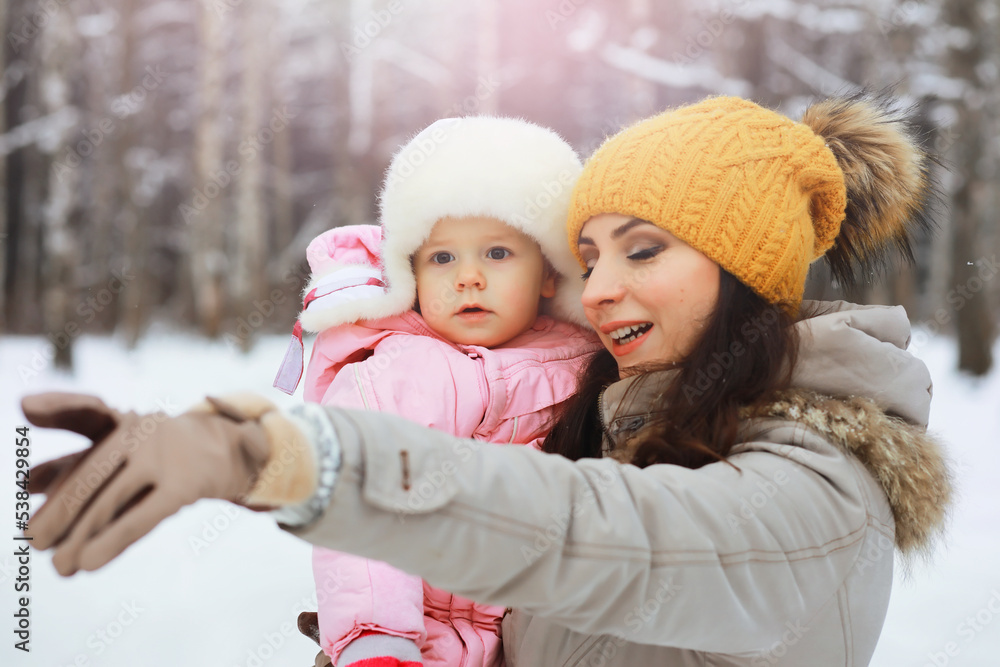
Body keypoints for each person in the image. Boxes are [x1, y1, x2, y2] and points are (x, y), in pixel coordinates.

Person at [23, 92, 953, 666]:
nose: (603, 288)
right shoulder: (635, 422)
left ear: (747, 267)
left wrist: (287, 456)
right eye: (587, 255)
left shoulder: (823, 488)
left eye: (643, 249)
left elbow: (604, 537)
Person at [271, 116, 602, 667]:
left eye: (497, 253)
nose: (467, 277)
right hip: (423, 642)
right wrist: (377, 641)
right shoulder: (393, 373)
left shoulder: (588, 364)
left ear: (548, 273)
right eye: (442, 258)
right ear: (411, 276)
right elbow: (362, 503)